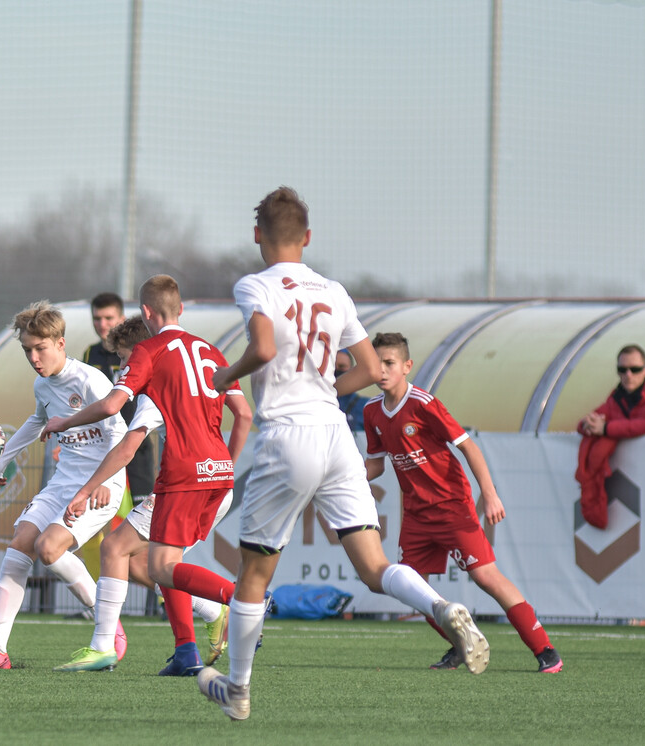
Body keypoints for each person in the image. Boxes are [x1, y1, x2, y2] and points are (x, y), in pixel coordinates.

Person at [199, 187, 487, 721]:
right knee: (375, 566)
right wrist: (325, 385)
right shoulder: (334, 290)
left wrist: (224, 377)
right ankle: (442, 607)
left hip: (288, 435)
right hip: (336, 436)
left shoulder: (254, 284)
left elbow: (262, 348)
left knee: (254, 575)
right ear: (307, 238)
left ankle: (237, 690)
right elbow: (373, 370)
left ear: (258, 235)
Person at [43, 275, 252, 677]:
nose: (123, 367)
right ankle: (188, 649)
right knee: (157, 563)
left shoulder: (152, 358)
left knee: (120, 552)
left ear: (145, 315)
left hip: (184, 477)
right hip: (218, 474)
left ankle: (239, 601)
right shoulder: (210, 350)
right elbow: (242, 414)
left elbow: (122, 433)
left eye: (122, 359)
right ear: (181, 309)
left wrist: (78, 460)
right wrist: (225, 465)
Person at [363, 332, 562, 674]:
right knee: (414, 592)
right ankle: (462, 645)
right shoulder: (371, 412)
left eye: (389, 363)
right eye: (375, 363)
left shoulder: (423, 403)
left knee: (486, 577)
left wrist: (490, 493)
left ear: (406, 366)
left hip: (452, 506)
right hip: (415, 515)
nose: (381, 370)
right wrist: (336, 478)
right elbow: (376, 465)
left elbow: (467, 446)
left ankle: (545, 650)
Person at [0, 301, 130, 670]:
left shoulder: (89, 380)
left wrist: (105, 482)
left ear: (60, 343)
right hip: (63, 482)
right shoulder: (42, 385)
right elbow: (37, 422)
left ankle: (107, 624)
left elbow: (122, 436)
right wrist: (1, 462)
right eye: (27, 350)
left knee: (49, 549)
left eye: (40, 348)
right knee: (20, 544)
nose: (34, 357)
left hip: (99, 484)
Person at [78, 292, 157, 584]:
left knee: (143, 535)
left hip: (136, 452)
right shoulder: (90, 356)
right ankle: (99, 601)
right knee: (98, 529)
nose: (102, 324)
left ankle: (168, 597)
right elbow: (84, 403)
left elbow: (117, 404)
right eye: (97, 318)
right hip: (105, 451)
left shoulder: (141, 353)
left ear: (122, 318)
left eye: (109, 318)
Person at [575, 344, 645, 528]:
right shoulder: (618, 397)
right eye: (622, 370)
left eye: (635, 369)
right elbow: (585, 423)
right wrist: (589, 425)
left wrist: (607, 429)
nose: (628, 375)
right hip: (639, 491)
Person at [334, 348, 370, 432]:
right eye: (332, 366)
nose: (336, 370)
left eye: (341, 366)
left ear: (351, 371)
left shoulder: (365, 407)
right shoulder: (316, 403)